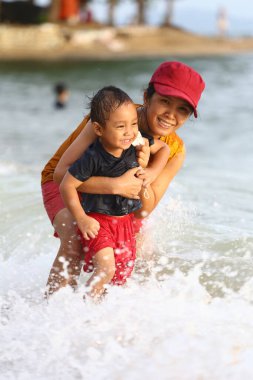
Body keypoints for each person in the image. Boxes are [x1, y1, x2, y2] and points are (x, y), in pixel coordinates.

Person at [41, 61, 205, 296]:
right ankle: (51, 313)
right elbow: (60, 174)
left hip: (122, 202)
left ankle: (104, 315)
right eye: (165, 101)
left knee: (133, 257)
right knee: (74, 239)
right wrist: (115, 185)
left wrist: (144, 172)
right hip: (65, 184)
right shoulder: (114, 116)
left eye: (183, 110)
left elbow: (143, 211)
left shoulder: (174, 150)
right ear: (147, 97)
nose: (171, 114)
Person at [59, 86, 170, 299]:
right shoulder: (92, 157)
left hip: (125, 223)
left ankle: (101, 320)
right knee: (106, 270)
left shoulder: (135, 141)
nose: (129, 132)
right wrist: (81, 218)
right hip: (98, 222)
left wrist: (151, 172)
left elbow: (163, 149)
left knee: (120, 279)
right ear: (99, 129)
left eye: (134, 124)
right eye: (120, 126)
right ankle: (83, 313)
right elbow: (67, 185)